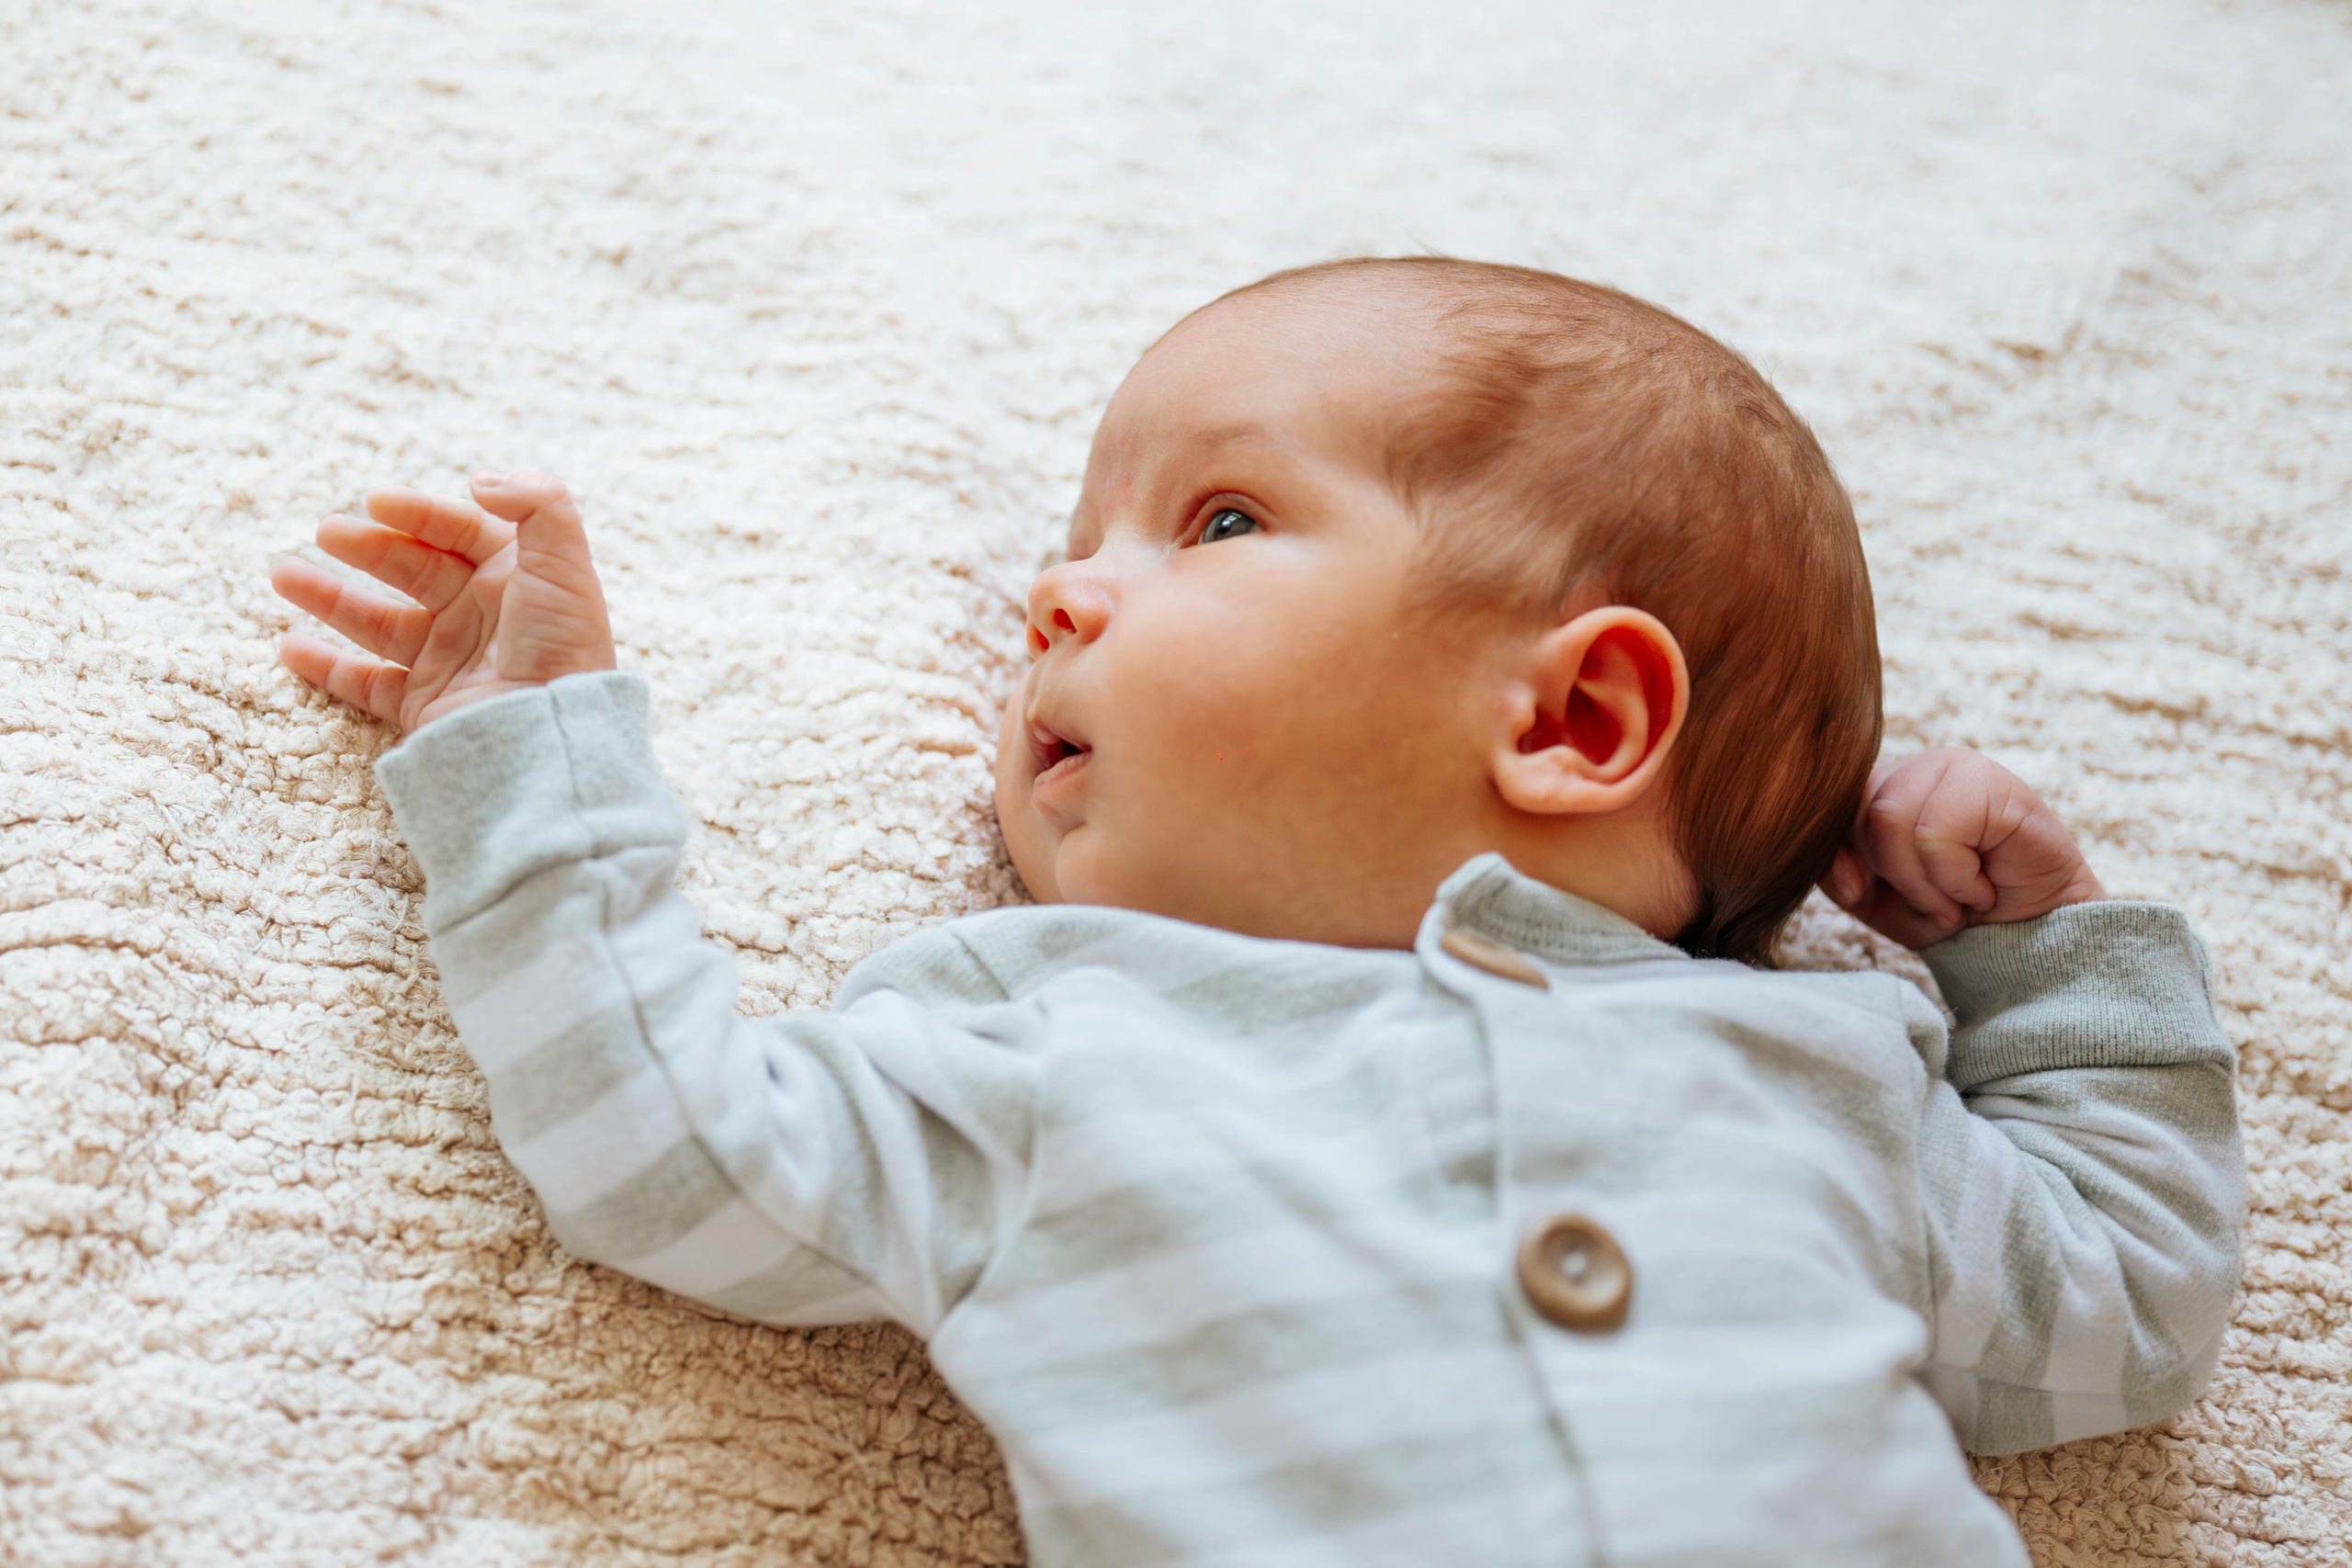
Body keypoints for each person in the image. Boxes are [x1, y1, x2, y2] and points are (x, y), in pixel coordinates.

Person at [268, 258, 2244, 1567]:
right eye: (1069, 537)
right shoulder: (1036, 1037)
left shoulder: (1827, 1075)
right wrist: (526, 754)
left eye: (1210, 521)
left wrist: (2033, 959)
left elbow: (2130, 1304)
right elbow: (667, 1148)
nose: (1053, 596)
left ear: (1571, 714)